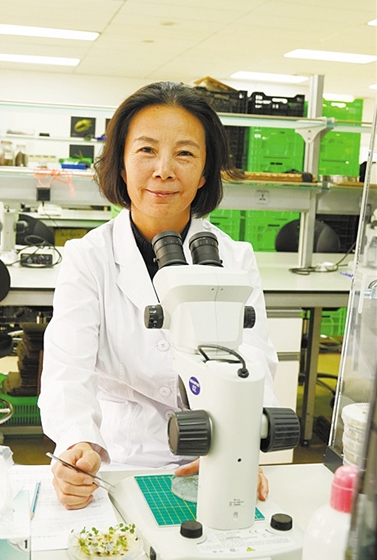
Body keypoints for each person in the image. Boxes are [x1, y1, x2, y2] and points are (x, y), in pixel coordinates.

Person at [39, 81, 279, 510]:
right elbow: (66, 369)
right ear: (121, 164)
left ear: (204, 172)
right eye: (147, 150)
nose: (164, 170)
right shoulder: (88, 257)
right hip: (119, 458)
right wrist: (77, 444)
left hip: (216, 453)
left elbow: (255, 362)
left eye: (184, 153)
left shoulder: (234, 258)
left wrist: (238, 450)